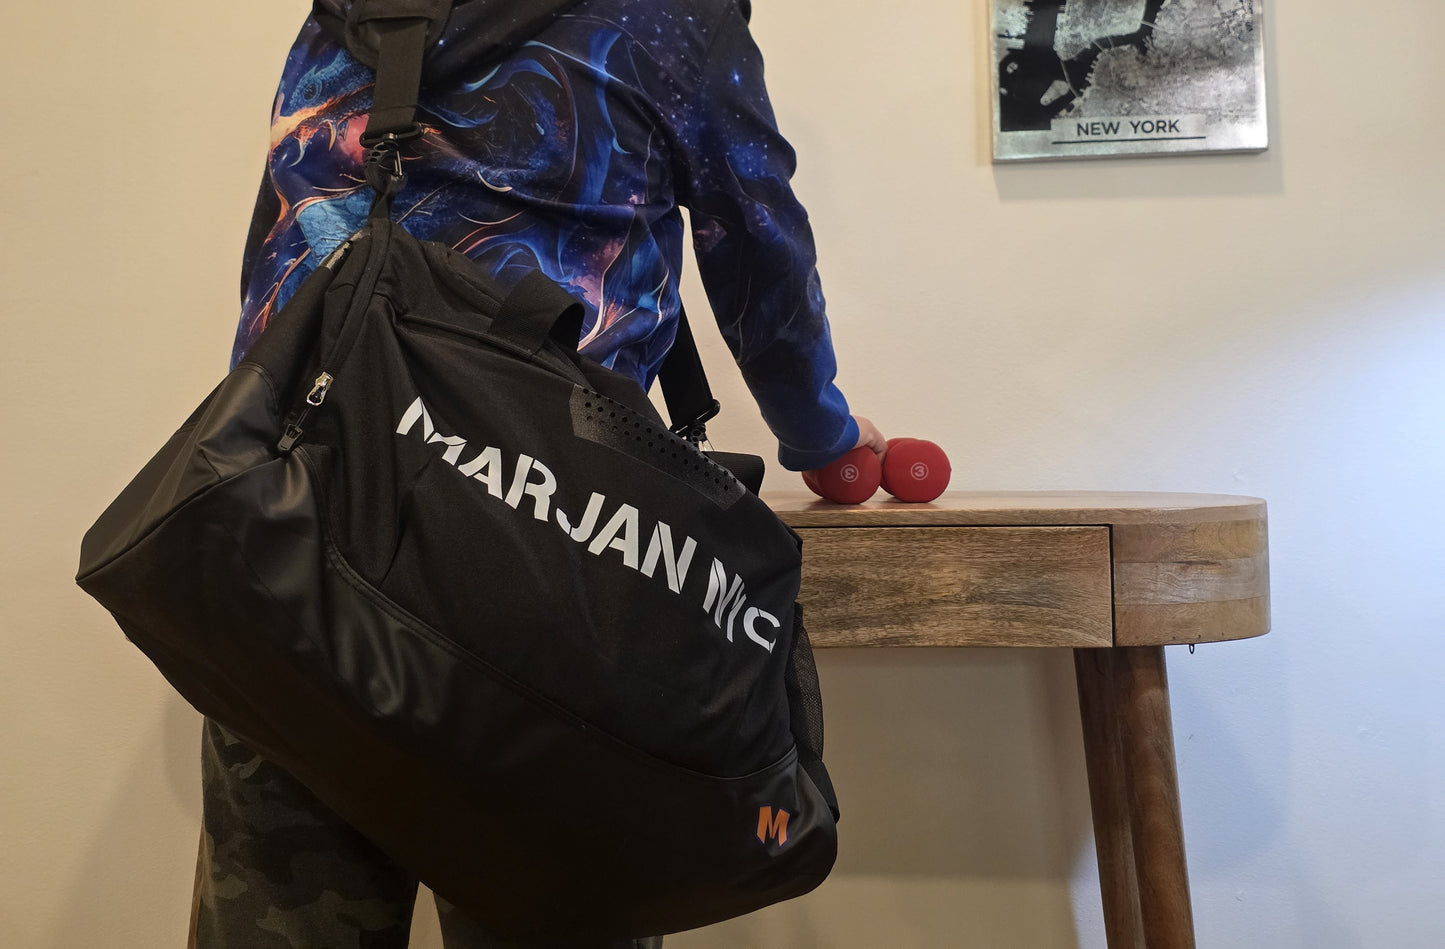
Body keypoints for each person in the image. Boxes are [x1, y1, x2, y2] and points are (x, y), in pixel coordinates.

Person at [194, 1, 884, 946]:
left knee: (278, 917)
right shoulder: (673, 18)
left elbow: (285, 256)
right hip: (549, 560)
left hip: (296, 540)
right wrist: (825, 439)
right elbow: (758, 248)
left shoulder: (350, 10)